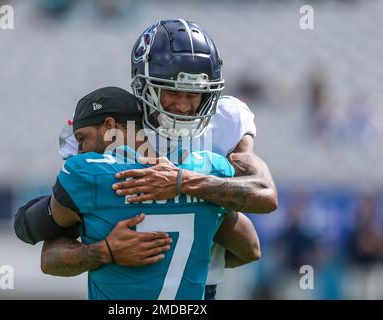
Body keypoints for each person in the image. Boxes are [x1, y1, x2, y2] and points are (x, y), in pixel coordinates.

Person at [15, 19, 277, 299]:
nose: (185, 105)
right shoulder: (119, 129)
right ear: (146, 86)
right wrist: (105, 251)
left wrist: (183, 183)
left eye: (195, 94)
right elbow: (49, 242)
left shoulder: (225, 120)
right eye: (172, 91)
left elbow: (264, 196)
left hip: (200, 284)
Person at [41, 86, 260, 299]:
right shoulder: (211, 169)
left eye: (81, 139)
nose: (79, 151)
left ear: (109, 126)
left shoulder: (88, 175)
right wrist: (197, 253)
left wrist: (104, 252)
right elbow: (251, 250)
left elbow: (44, 254)